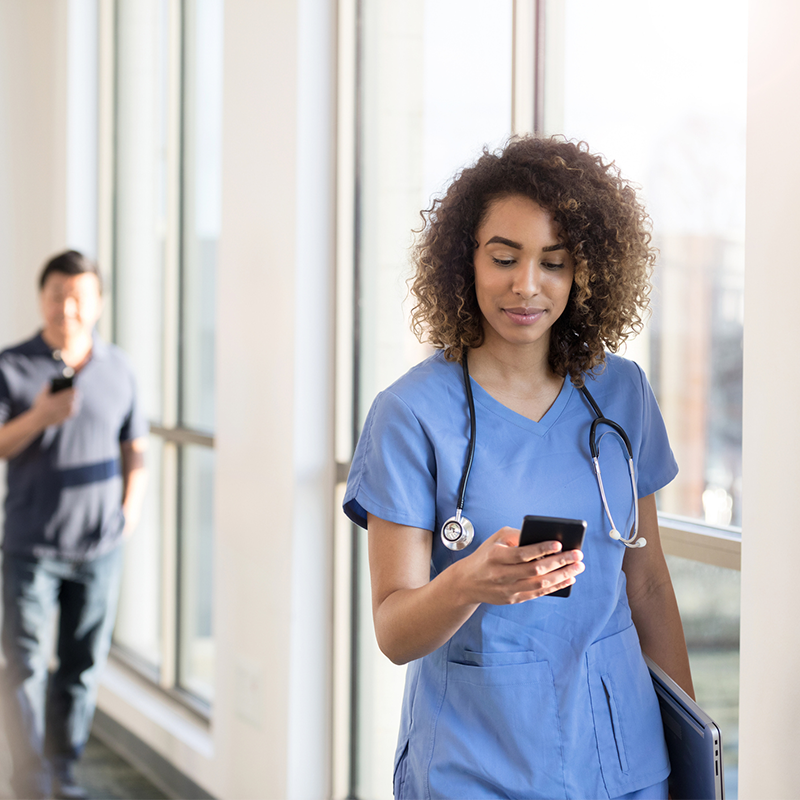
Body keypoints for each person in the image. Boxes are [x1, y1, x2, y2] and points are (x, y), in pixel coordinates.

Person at [343, 136, 694, 800]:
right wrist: (468, 583)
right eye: (503, 257)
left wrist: (692, 748)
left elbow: (645, 584)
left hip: (623, 757)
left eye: (554, 263)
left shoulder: (622, 396)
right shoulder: (412, 415)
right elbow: (393, 629)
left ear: (584, 274)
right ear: (464, 262)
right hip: (476, 760)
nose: (526, 285)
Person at [0, 251, 148, 800]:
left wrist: (129, 514)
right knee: (26, 669)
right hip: (29, 548)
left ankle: (63, 772)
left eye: (80, 296)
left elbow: (136, 450)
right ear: (42, 298)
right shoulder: (12, 365)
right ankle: (30, 782)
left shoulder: (119, 368)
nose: (69, 307)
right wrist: (39, 416)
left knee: (81, 669)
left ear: (99, 304)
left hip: (99, 550)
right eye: (58, 293)